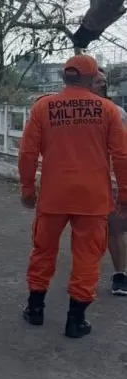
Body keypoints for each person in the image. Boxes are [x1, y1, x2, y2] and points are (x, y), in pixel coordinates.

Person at [18, 54, 127, 338]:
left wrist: (27, 189)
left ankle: (36, 309)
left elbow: (28, 152)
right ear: (92, 79)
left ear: (65, 77)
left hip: (54, 195)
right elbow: (122, 156)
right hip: (92, 198)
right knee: (87, 257)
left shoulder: (43, 107)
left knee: (43, 251)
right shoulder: (108, 110)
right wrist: (125, 195)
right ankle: (75, 320)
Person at [91, 67, 127, 295]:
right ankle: (114, 275)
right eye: (97, 81)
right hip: (90, 178)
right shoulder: (72, 111)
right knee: (105, 229)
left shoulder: (116, 111)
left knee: (116, 227)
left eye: (103, 81)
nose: (102, 84)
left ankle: (119, 273)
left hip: (115, 175)